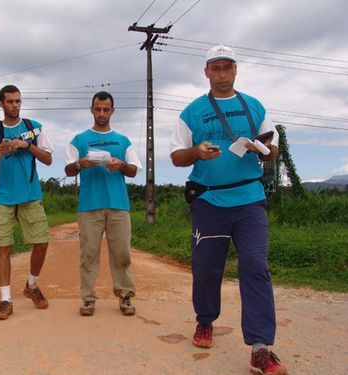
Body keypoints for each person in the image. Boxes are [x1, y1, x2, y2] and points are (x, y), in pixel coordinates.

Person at [170, 45, 288, 375]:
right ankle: (205, 321)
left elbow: (273, 148)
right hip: (209, 201)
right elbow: (176, 157)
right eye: (215, 68)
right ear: (206, 72)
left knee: (254, 266)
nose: (222, 74)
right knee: (207, 268)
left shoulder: (254, 106)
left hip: (249, 199)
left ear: (235, 70)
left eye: (227, 67)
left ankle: (260, 347)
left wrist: (262, 149)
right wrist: (196, 151)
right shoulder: (191, 112)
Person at [0, 84, 54, 320]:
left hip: (31, 195)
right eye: (10, 101)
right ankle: (5, 300)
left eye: (18, 101)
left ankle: (31, 285)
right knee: (3, 248)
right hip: (3, 197)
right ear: (1, 104)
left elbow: (49, 159)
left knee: (41, 243)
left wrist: (27, 145)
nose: (15, 105)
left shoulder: (34, 128)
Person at [64, 91, 142, 316]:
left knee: (122, 253)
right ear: (91, 109)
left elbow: (134, 170)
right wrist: (81, 164)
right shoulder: (79, 140)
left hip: (119, 205)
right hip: (89, 205)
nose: (101, 113)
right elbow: (69, 170)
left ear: (112, 111)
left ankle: (125, 295)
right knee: (89, 254)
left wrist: (121, 164)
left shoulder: (123, 140)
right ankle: (88, 299)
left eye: (105, 109)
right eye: (97, 109)